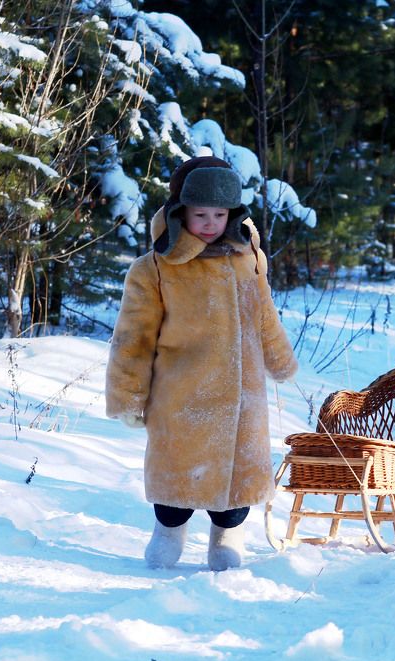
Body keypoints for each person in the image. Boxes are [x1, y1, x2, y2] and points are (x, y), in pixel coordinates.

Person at [105, 155, 298, 570]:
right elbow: (133, 338)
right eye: (200, 214)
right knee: (177, 479)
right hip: (182, 394)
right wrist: (128, 395)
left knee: (235, 489)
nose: (210, 222)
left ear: (233, 215)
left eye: (219, 213)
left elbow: (264, 316)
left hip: (244, 399)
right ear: (180, 213)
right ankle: (168, 532)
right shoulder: (154, 268)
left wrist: (279, 360)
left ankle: (227, 536)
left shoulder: (250, 259)